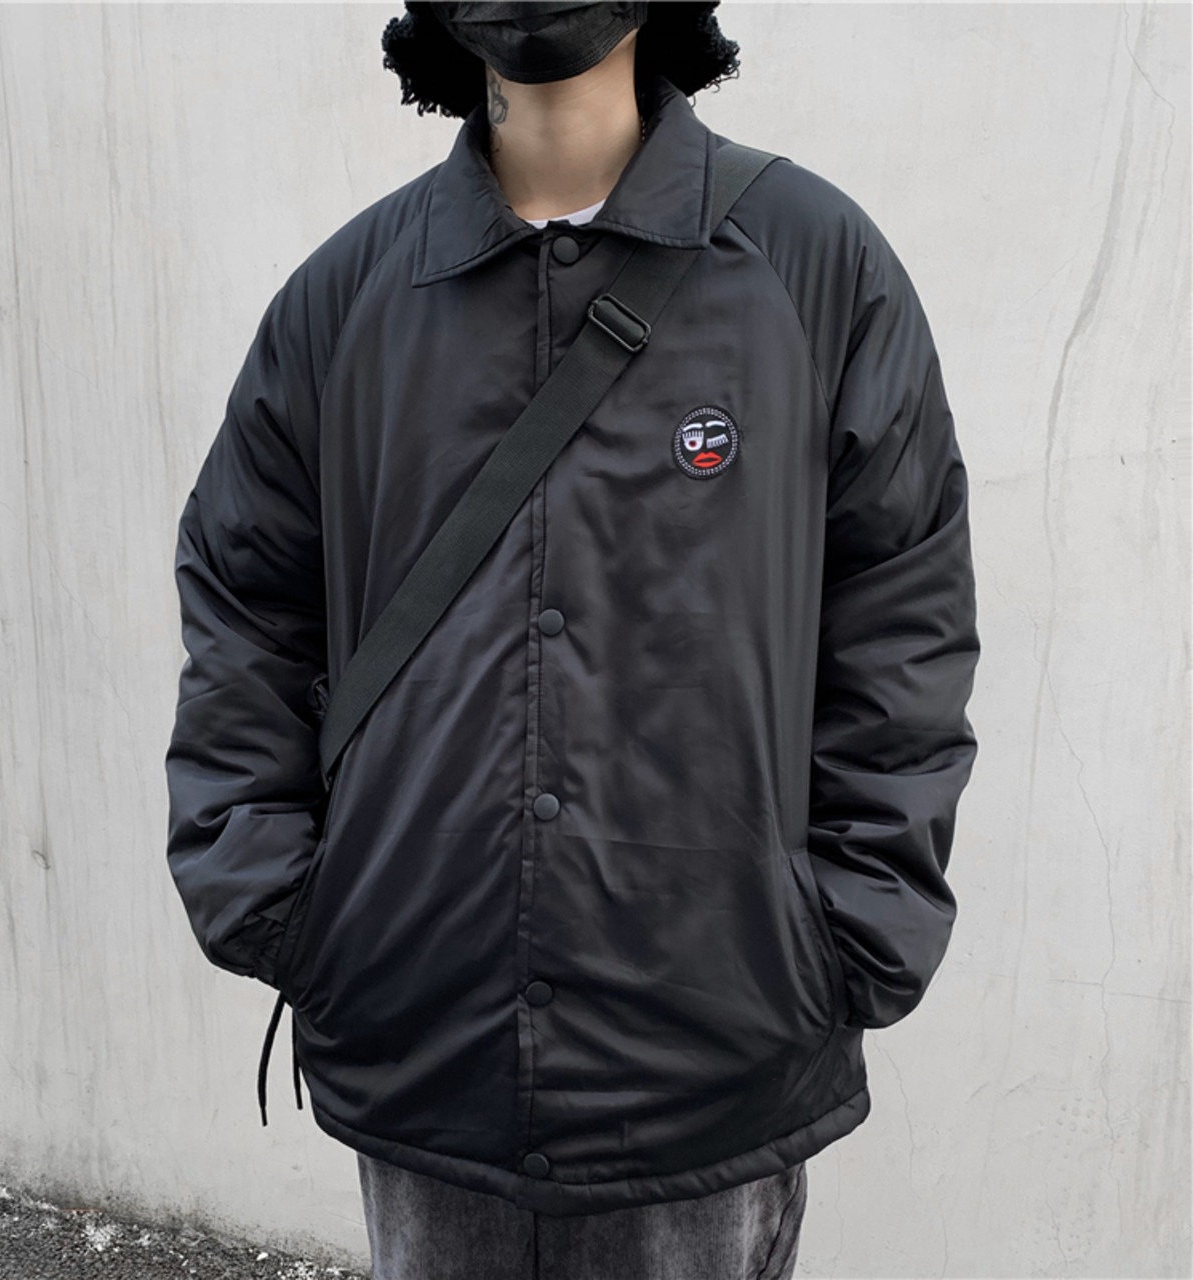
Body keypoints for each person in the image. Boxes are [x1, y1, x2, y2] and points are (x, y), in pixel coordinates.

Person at [164, 3, 981, 1277]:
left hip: (713, 1059)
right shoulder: (347, 296)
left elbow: (901, 613)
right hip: (426, 1048)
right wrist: (288, 910)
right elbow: (243, 600)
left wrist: (845, 933)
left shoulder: (811, 265)